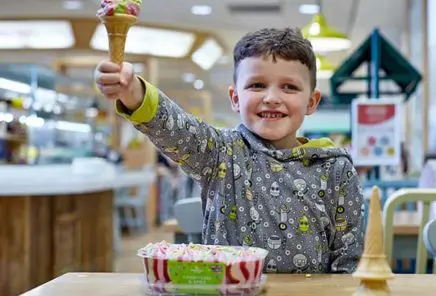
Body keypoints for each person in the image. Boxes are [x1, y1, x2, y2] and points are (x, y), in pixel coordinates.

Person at [94, 27, 365, 273]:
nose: (271, 97)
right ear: (236, 98)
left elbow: (349, 261)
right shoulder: (221, 153)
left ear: (311, 101)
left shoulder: (335, 169)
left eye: (289, 87)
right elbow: (176, 128)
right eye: (257, 85)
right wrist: (133, 93)